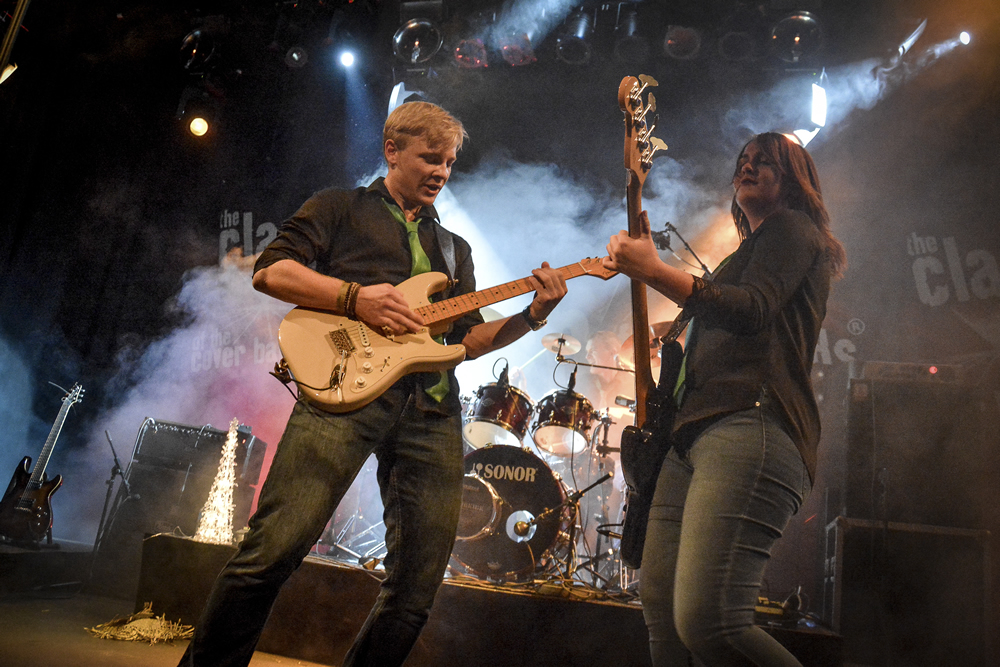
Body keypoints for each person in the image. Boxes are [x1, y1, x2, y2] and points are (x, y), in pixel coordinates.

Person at [178, 101, 567, 667]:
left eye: (450, 163)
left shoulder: (454, 248)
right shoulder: (339, 207)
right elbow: (271, 270)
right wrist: (356, 298)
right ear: (392, 150)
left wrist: (532, 316)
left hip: (432, 414)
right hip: (342, 399)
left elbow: (466, 341)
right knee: (269, 555)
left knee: (414, 593)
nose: (441, 172)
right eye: (430, 158)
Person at [604, 132, 846, 666]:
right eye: (742, 161)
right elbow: (725, 318)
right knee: (663, 616)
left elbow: (752, 308)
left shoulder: (794, 228)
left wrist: (655, 271)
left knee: (709, 621)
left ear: (795, 177)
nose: (748, 166)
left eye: (765, 161)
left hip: (751, 427)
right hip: (690, 438)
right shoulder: (743, 256)